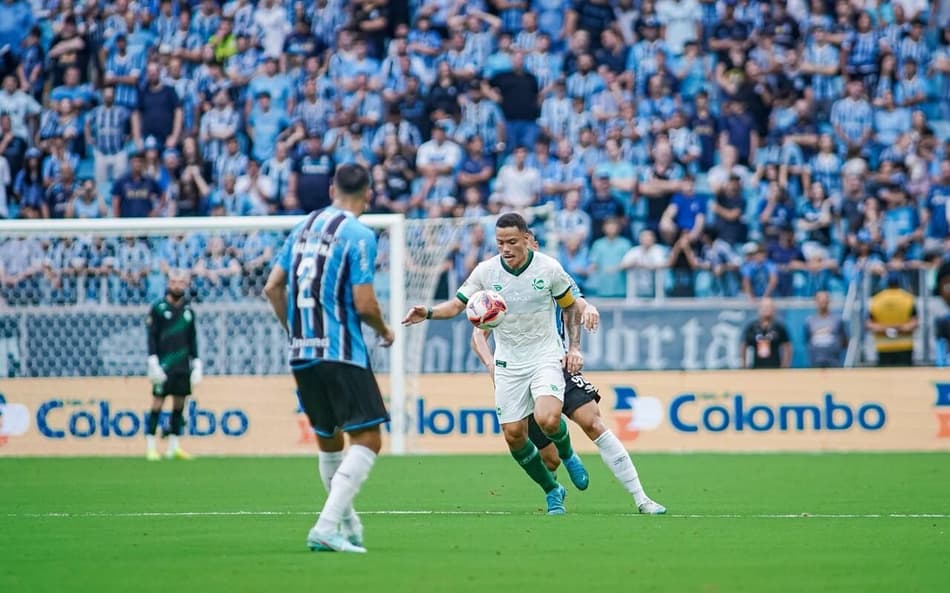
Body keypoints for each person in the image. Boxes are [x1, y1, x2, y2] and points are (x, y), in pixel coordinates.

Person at [403, 212, 588, 515]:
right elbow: (457, 305)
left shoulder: (549, 268)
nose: (506, 248)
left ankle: (568, 455)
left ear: (527, 239)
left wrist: (574, 346)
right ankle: (553, 490)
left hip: (545, 355)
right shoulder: (486, 272)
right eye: (500, 242)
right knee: (514, 435)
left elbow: (569, 307)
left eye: (512, 241)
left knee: (548, 419)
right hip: (508, 363)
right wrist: (428, 312)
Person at [470, 251, 666, 515]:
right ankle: (554, 488)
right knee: (548, 460)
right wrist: (491, 364)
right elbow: (479, 333)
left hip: (555, 364)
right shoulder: (501, 289)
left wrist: (590, 309)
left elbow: (577, 302)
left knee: (592, 422)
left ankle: (642, 499)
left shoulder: (549, 274)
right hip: (518, 373)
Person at [264, 163, 394, 554]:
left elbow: (272, 287)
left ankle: (348, 525)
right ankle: (325, 526)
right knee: (368, 438)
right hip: (341, 352)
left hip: (302, 351)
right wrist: (385, 330)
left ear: (332, 189)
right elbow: (365, 302)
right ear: (368, 194)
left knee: (329, 441)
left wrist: (296, 329)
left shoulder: (302, 227)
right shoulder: (359, 234)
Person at [145, 270, 202, 461]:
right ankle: (151, 447)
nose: (177, 285)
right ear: (168, 284)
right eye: (174, 282)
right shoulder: (159, 308)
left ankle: (173, 447)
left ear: (185, 285)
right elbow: (152, 336)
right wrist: (153, 360)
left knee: (179, 404)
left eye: (181, 282)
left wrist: (196, 362)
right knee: (157, 402)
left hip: (182, 365)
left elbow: (192, 339)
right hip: (163, 364)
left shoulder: (188, 311)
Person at [866, 273, 918, 367]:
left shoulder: (876, 299)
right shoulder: (908, 298)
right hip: (904, 345)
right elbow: (914, 323)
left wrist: (886, 329)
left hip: (883, 346)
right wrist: (899, 328)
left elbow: (870, 324)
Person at [741, 298, 792, 369]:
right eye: (765, 307)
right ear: (759, 309)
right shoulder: (752, 327)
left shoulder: (779, 327)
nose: (767, 309)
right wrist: (744, 364)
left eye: (770, 307)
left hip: (775, 368)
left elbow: (787, 347)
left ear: (774, 310)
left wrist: (785, 365)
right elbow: (744, 345)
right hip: (756, 368)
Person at [804, 291, 848, 368]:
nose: (822, 303)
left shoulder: (837, 320)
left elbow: (844, 341)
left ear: (828, 301)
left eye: (825, 300)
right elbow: (807, 340)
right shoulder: (809, 321)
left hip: (834, 362)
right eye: (820, 300)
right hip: (815, 362)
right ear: (816, 302)